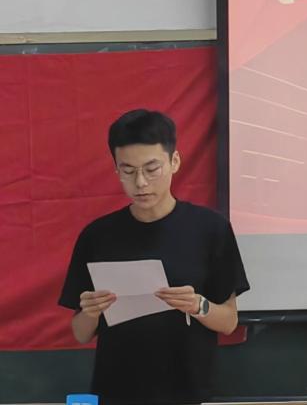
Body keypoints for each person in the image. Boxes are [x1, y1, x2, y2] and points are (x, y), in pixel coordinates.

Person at [58, 109, 250, 405]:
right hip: (117, 389)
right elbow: (81, 332)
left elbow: (228, 321)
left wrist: (197, 305)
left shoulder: (210, 229)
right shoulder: (97, 235)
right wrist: (92, 311)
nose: (141, 183)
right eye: (128, 171)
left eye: (151, 169)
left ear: (174, 162)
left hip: (187, 390)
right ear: (116, 169)